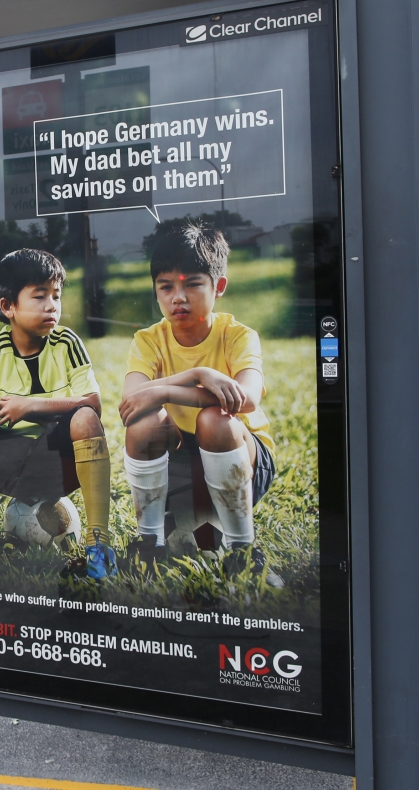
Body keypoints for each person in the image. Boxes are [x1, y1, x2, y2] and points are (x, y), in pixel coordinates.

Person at [118, 222, 280, 586]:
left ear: (218, 286)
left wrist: (164, 389)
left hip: (243, 460)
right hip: (178, 463)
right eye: (166, 287)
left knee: (215, 418)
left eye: (192, 284)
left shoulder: (238, 335)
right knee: (144, 422)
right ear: (156, 291)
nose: (178, 297)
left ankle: (242, 549)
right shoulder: (148, 341)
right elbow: (134, 401)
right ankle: (150, 543)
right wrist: (197, 376)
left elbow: (247, 399)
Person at [0, 249, 114, 579]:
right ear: (8, 307)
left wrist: (30, 405)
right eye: (39, 296)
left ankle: (98, 543)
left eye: (56, 296)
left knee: (86, 417)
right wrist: (7, 408)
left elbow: (93, 402)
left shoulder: (67, 343)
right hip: (8, 460)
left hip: (57, 459)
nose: (52, 305)